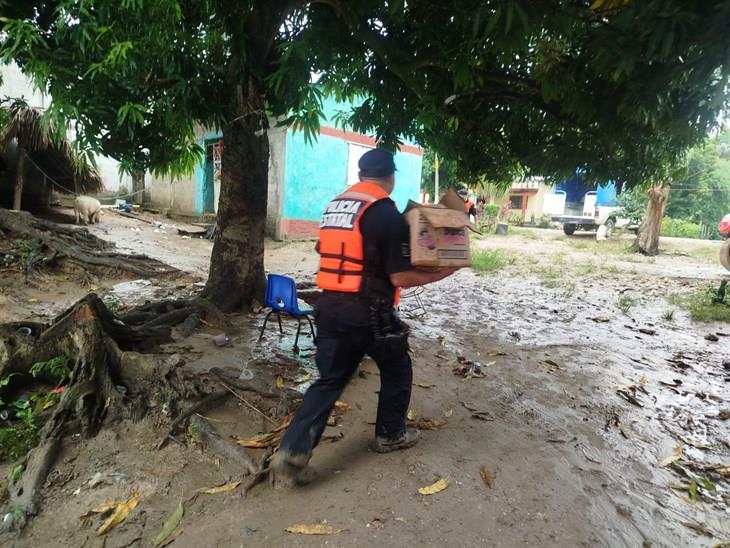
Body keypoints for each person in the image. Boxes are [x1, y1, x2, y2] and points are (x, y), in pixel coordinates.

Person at [271, 148, 460, 487]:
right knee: (398, 369)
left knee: (328, 380)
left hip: (329, 306)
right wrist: (442, 273)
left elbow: (324, 249)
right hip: (370, 313)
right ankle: (390, 435)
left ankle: (292, 451)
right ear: (390, 176)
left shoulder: (337, 205)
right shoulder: (384, 212)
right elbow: (401, 278)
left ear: (361, 175)